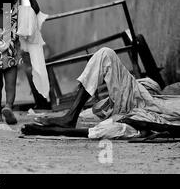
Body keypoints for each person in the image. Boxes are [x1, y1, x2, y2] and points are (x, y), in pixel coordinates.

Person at [35, 47, 180, 129]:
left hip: (145, 104)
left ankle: (70, 117)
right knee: (91, 113)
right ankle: (71, 116)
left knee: (106, 54)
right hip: (148, 99)